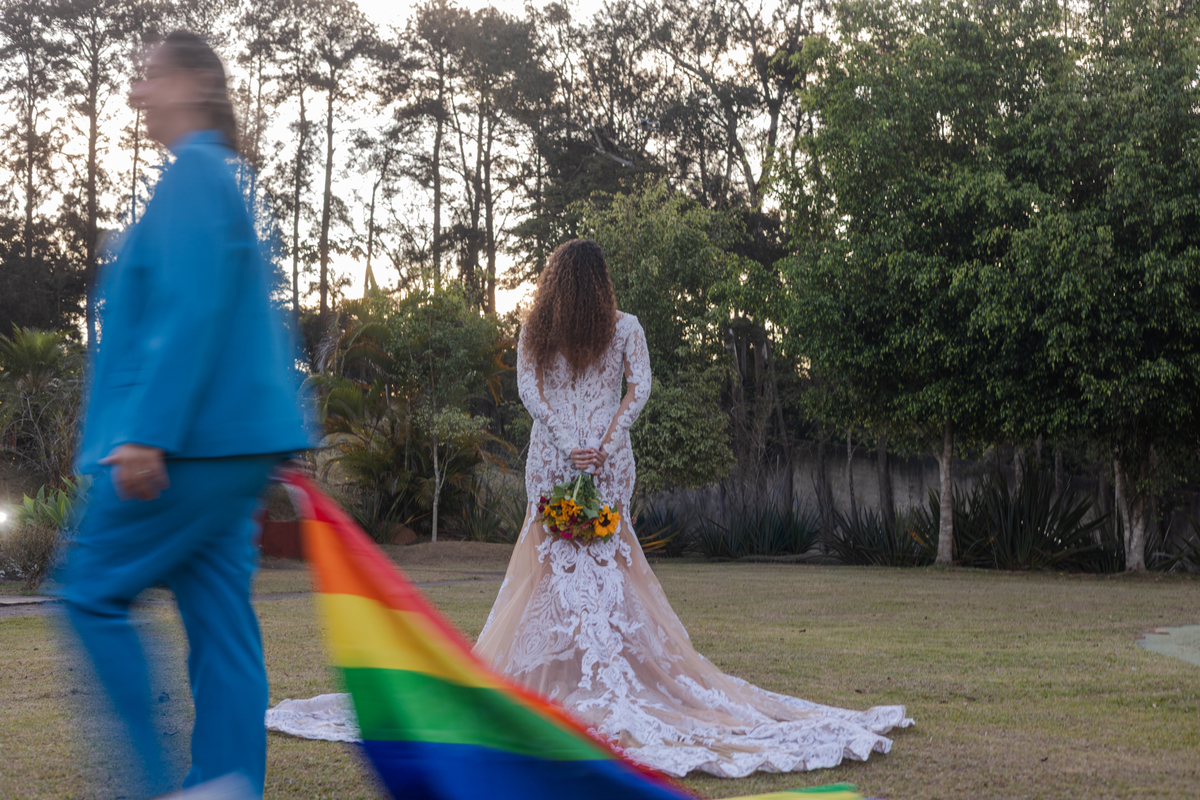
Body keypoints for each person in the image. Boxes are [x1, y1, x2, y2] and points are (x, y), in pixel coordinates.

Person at [471, 238, 912, 778]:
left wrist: (573, 443)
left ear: (554, 280)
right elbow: (634, 391)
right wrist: (602, 443)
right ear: (602, 281)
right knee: (599, 566)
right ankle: (580, 674)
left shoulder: (570, 327)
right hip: (593, 457)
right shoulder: (606, 327)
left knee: (556, 567)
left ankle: (576, 678)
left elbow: (534, 392)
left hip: (564, 457)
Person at [61, 31, 310, 800]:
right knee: (220, 621)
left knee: (90, 591)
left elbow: (190, 309)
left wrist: (147, 432)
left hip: (187, 444)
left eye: (152, 77)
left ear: (198, 84)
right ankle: (227, 784)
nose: (138, 93)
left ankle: (153, 786)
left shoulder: (195, 175)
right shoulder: (217, 177)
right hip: (234, 446)